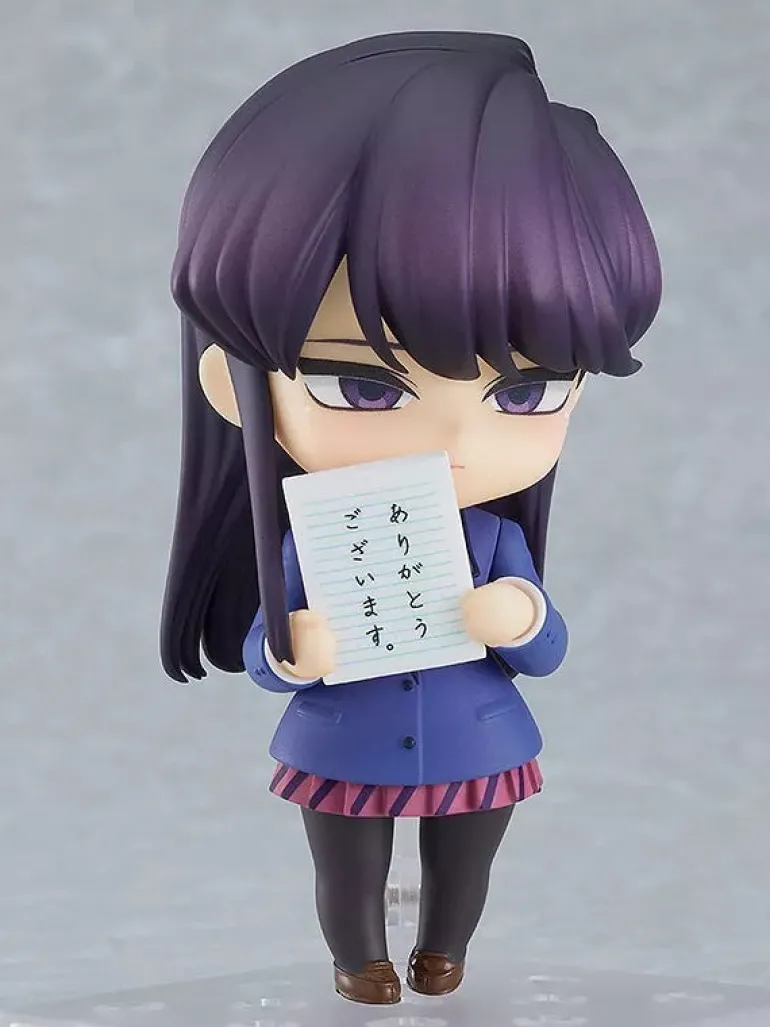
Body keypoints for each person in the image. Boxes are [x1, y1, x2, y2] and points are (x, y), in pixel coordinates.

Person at [161, 30, 662, 1006]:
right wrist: (291, 650)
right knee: (345, 871)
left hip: (479, 737)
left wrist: (517, 614)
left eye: (524, 392)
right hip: (340, 739)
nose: (453, 439)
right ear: (234, 386)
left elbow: (545, 645)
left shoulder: (492, 539)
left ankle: (444, 951)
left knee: (462, 865)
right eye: (364, 385)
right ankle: (359, 961)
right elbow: (269, 643)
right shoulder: (308, 539)